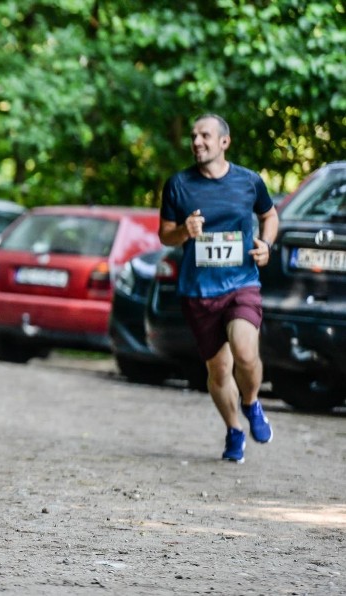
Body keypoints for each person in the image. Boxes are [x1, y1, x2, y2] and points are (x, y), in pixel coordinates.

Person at [158, 113, 279, 464]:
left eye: (205, 136)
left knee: (244, 353)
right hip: (199, 291)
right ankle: (234, 429)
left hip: (241, 283)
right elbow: (165, 234)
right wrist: (184, 231)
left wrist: (266, 245)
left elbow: (269, 216)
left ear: (224, 142)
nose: (197, 142)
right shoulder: (178, 185)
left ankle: (252, 402)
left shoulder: (249, 182)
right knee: (219, 370)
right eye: (194, 136)